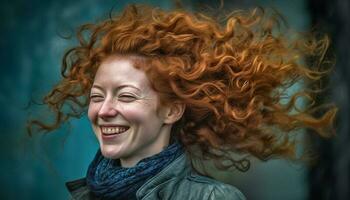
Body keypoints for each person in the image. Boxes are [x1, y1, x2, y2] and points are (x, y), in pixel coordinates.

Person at [28, 3, 337, 200]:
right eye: (97, 97)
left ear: (173, 110)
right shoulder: (84, 195)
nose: (104, 110)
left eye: (125, 96)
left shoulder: (214, 198)